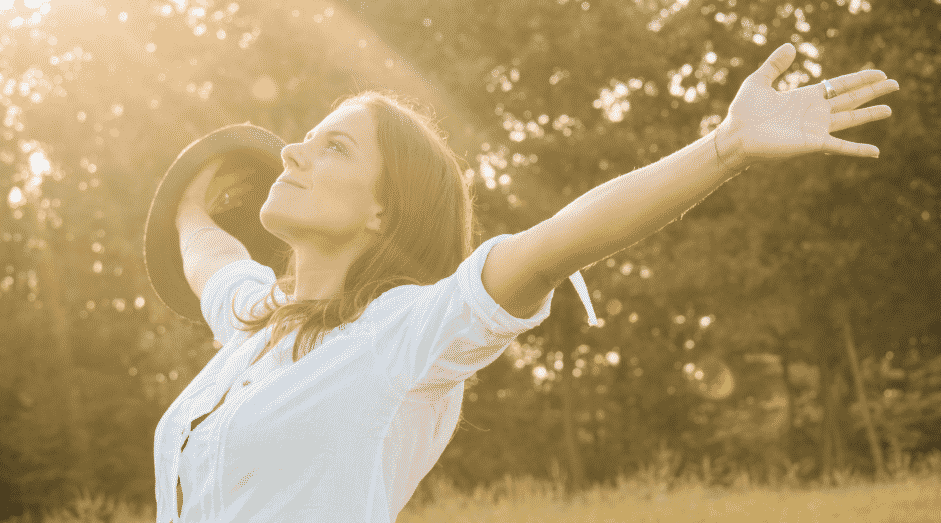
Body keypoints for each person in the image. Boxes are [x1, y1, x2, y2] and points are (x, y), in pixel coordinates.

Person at [154, 42, 898, 522]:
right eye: (305, 138)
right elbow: (209, 258)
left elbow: (552, 247)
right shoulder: (255, 324)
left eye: (334, 147)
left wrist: (725, 147)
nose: (294, 152)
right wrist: (188, 199)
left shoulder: (402, 334)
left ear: (384, 210)